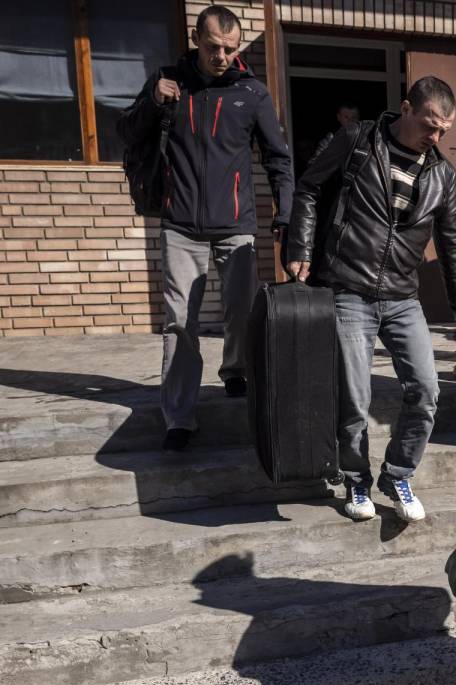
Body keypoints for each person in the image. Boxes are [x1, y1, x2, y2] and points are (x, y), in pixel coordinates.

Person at [286, 76, 456, 523]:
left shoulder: (441, 174)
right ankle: (354, 478)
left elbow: (452, 242)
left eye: (444, 130)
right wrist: (299, 249)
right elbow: (309, 188)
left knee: (426, 389)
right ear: (406, 108)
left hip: (403, 296)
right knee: (355, 396)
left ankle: (397, 473)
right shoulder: (357, 140)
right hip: (349, 288)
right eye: (430, 125)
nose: (436, 137)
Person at [118, 4, 293, 452]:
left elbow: (279, 159)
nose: (222, 56)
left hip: (236, 225)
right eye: (214, 47)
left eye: (230, 49)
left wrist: (286, 217)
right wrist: (154, 101)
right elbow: (128, 133)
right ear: (196, 39)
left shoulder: (251, 93)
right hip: (179, 224)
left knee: (240, 313)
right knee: (179, 322)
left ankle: (234, 370)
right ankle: (179, 416)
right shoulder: (167, 82)